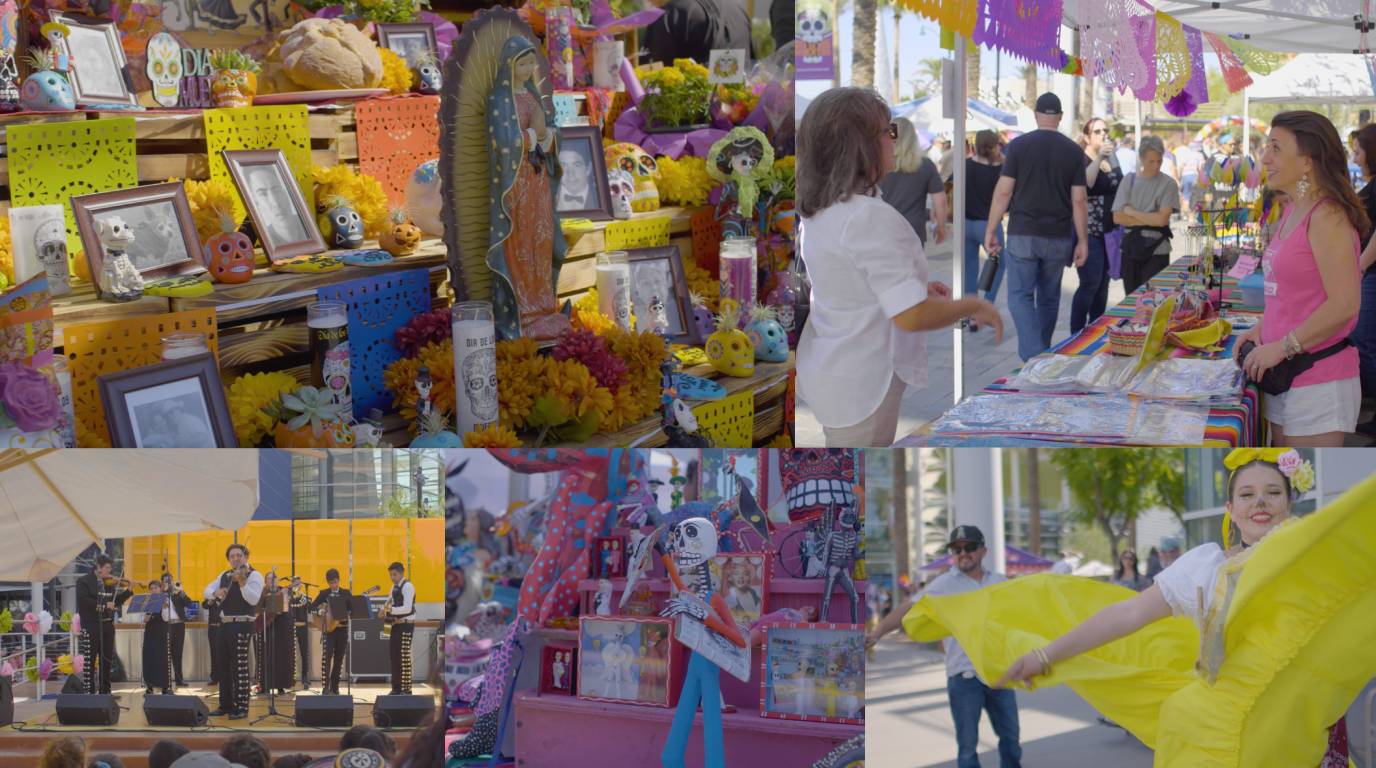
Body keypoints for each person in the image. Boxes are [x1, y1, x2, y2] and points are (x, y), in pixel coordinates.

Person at [969, 450, 1362, 765]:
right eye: (1247, 494)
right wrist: (1046, 653)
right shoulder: (1207, 565)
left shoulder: (1315, 560)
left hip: (1300, 725)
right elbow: (1128, 614)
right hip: (1217, 729)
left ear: (1290, 502)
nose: (1260, 501)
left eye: (1273, 492)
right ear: (1230, 508)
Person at [796, 87, 1003, 446]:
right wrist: (973, 305)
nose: (894, 140)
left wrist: (917, 288)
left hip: (836, 370)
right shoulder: (865, 215)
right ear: (859, 144)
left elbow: (853, 280)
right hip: (862, 380)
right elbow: (910, 316)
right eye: (887, 131)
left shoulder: (826, 208)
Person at [1237, 110, 1365, 446]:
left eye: (1276, 148)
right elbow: (1290, 294)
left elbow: (1345, 304)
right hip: (1283, 373)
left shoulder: (1328, 217)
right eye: (1267, 147)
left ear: (1307, 161)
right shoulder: (1294, 209)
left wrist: (1283, 345)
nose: (1265, 157)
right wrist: (1262, 329)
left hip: (1318, 381)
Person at [867, 526, 1021, 768]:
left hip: (1001, 674)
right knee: (968, 749)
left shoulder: (1000, 582)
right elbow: (908, 608)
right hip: (964, 678)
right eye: (957, 549)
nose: (963, 553)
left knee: (1011, 742)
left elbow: (1023, 615)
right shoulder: (944, 584)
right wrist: (877, 632)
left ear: (983, 551)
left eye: (969, 547)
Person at [984, 92, 1088, 361]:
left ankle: (1035, 358)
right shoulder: (1074, 151)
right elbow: (1079, 200)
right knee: (1049, 298)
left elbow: (1003, 193)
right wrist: (1083, 241)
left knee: (1019, 296)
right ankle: (1040, 358)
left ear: (1036, 116)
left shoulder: (1018, 147)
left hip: (1023, 232)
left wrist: (990, 228)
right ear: (1061, 117)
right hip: (1058, 236)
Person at [1071, 117, 1122, 334]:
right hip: (1088, 232)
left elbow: (1120, 181)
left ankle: (1096, 329)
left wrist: (1112, 155)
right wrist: (1100, 155)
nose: (1103, 134)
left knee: (1103, 286)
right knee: (1089, 284)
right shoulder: (1081, 159)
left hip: (1109, 232)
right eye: (1098, 131)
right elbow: (1086, 184)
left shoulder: (1110, 158)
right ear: (1087, 137)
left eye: (1105, 130)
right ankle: (1076, 331)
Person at [203, 543, 264, 719]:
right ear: (228, 559)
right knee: (223, 667)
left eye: (239, 555)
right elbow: (206, 590)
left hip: (243, 624)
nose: (236, 558)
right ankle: (226, 705)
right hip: (224, 624)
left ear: (246, 557)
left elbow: (253, 600)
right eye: (232, 556)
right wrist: (216, 592)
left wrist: (242, 582)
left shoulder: (255, 575)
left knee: (240, 666)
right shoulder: (224, 575)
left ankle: (242, 707)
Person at [1112, 135, 1179, 294]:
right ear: (1141, 159)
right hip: (1131, 249)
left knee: (1154, 302)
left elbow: (1162, 220)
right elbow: (1118, 217)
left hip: (1157, 251)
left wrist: (1132, 212)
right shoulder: (1129, 180)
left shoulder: (1168, 183)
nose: (1156, 166)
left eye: (1159, 161)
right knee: (1132, 300)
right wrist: (1149, 219)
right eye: (1151, 161)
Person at [879, 118, 948, 247]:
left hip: (882, 229)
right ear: (912, 138)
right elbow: (941, 201)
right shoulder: (925, 164)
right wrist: (941, 227)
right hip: (913, 231)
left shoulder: (876, 165)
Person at [1350, 123, 1376, 435]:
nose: (1355, 158)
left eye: (1358, 151)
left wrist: (1358, 267)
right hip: (1367, 272)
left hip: (1371, 274)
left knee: (1362, 340)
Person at [963, 130, 1007, 314]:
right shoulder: (1000, 169)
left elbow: (949, 188)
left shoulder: (965, 166)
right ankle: (986, 305)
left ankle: (971, 312)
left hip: (965, 224)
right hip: (989, 224)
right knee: (998, 263)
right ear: (994, 145)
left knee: (969, 268)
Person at [75, 554, 132, 695]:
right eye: (107, 568)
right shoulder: (84, 581)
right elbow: (84, 601)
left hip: (107, 626)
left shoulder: (108, 583)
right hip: (91, 625)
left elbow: (114, 602)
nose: (109, 571)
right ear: (98, 567)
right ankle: (89, 692)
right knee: (90, 660)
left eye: (110, 568)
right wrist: (104, 604)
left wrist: (128, 592)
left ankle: (105, 691)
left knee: (106, 661)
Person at [642, 0, 753, 67]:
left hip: (691, 103)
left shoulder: (667, 16)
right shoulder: (739, 10)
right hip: (741, 103)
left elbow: (651, 81)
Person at [310, 569, 353, 695]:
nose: (333, 585)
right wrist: (320, 611)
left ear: (339, 580)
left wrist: (348, 612)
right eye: (330, 583)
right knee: (327, 657)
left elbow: (352, 609)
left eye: (335, 582)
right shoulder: (324, 593)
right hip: (329, 631)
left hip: (342, 630)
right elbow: (311, 607)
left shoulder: (346, 593)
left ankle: (335, 686)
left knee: (339, 659)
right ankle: (326, 687)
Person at [385, 561, 417, 695]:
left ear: (401, 573)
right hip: (395, 626)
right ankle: (396, 688)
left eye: (395, 574)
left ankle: (406, 689)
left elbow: (408, 608)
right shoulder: (393, 588)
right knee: (394, 657)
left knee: (404, 657)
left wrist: (389, 609)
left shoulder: (408, 586)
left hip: (406, 625)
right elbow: (388, 604)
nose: (392, 577)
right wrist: (383, 610)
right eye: (391, 575)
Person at [142, 579, 174, 695]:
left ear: (160, 589)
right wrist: (146, 616)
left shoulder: (166, 600)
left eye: (156, 588)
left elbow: (166, 618)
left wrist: (164, 606)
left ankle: (165, 687)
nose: (153, 590)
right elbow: (143, 619)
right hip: (150, 633)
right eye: (151, 588)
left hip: (161, 633)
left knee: (162, 659)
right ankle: (149, 686)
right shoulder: (147, 601)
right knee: (149, 658)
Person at [161, 573, 190, 687]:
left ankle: (179, 680)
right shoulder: (161, 594)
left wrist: (181, 591)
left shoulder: (177, 593)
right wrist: (164, 592)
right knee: (165, 654)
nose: (169, 582)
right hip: (166, 626)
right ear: (162, 582)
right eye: (166, 580)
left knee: (178, 654)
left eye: (170, 580)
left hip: (179, 625)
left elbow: (188, 602)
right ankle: (165, 681)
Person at [288, 576, 312, 690]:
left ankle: (305, 677)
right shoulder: (289, 598)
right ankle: (290, 678)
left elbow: (311, 608)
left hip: (303, 627)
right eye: (294, 584)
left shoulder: (305, 598)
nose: (296, 586)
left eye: (298, 584)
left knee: (304, 653)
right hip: (290, 628)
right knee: (290, 653)